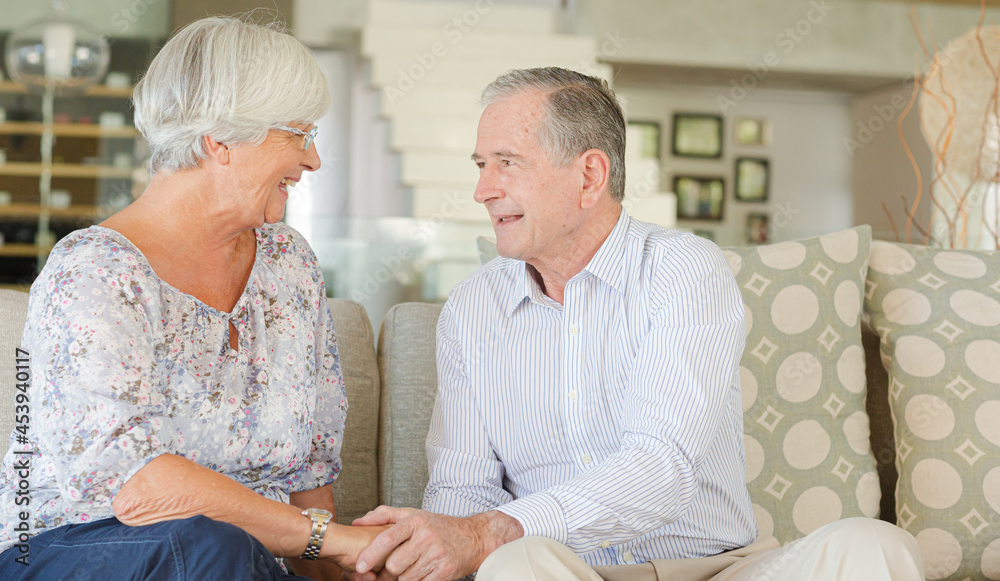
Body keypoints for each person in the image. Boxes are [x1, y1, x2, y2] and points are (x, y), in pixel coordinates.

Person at [348, 67, 924, 581]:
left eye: (507, 163)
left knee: (873, 546)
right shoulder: (473, 309)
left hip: (714, 568)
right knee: (516, 568)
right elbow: (462, 489)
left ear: (589, 176)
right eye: (481, 165)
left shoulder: (682, 270)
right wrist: (419, 554)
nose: (483, 189)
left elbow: (660, 470)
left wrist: (490, 531)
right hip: (565, 570)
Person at [0, 16, 384, 580]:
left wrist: (354, 567)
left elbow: (309, 473)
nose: (312, 159)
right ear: (220, 140)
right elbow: (135, 489)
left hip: (240, 563)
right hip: (68, 552)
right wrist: (331, 540)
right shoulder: (96, 272)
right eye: (297, 134)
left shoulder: (289, 265)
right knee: (208, 546)